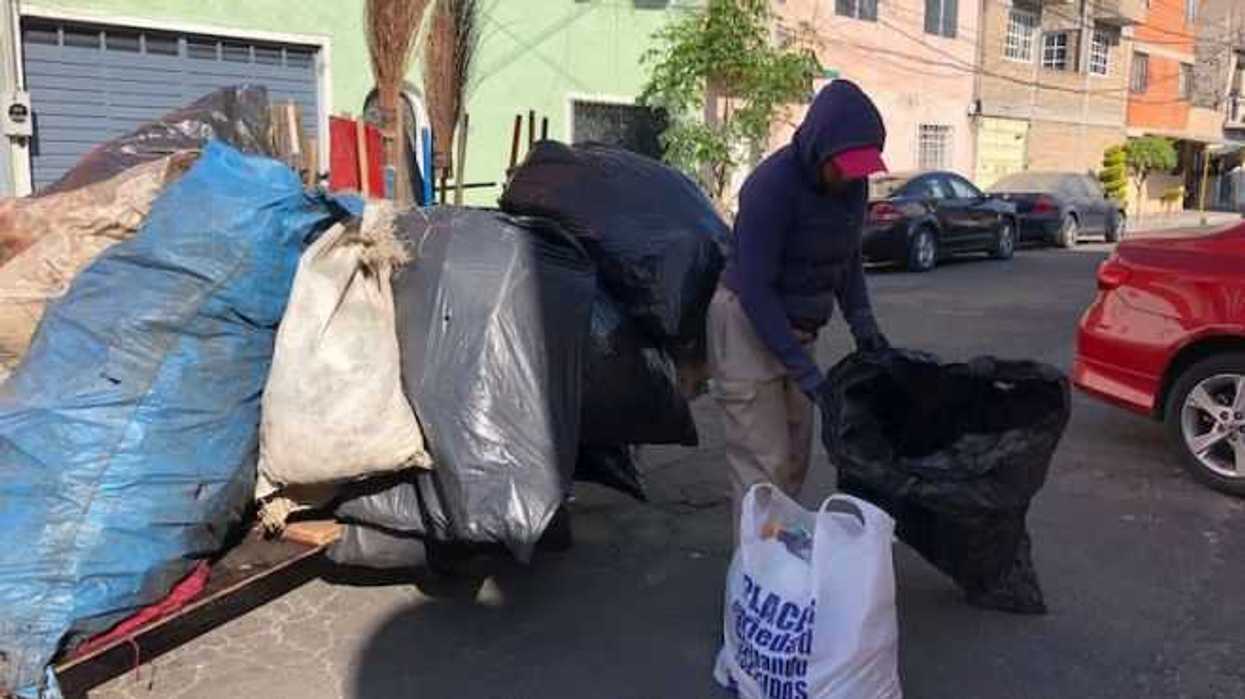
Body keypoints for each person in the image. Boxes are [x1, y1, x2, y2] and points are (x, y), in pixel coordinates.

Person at [708, 80, 890, 537]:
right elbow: (756, 289)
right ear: (818, 147)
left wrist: (864, 325)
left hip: (798, 330)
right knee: (762, 471)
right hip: (747, 322)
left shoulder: (852, 188)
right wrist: (806, 374)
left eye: (860, 168)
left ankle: (781, 564)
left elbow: (847, 259)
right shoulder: (771, 188)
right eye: (844, 166)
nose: (851, 177)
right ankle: (759, 585)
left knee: (793, 461)